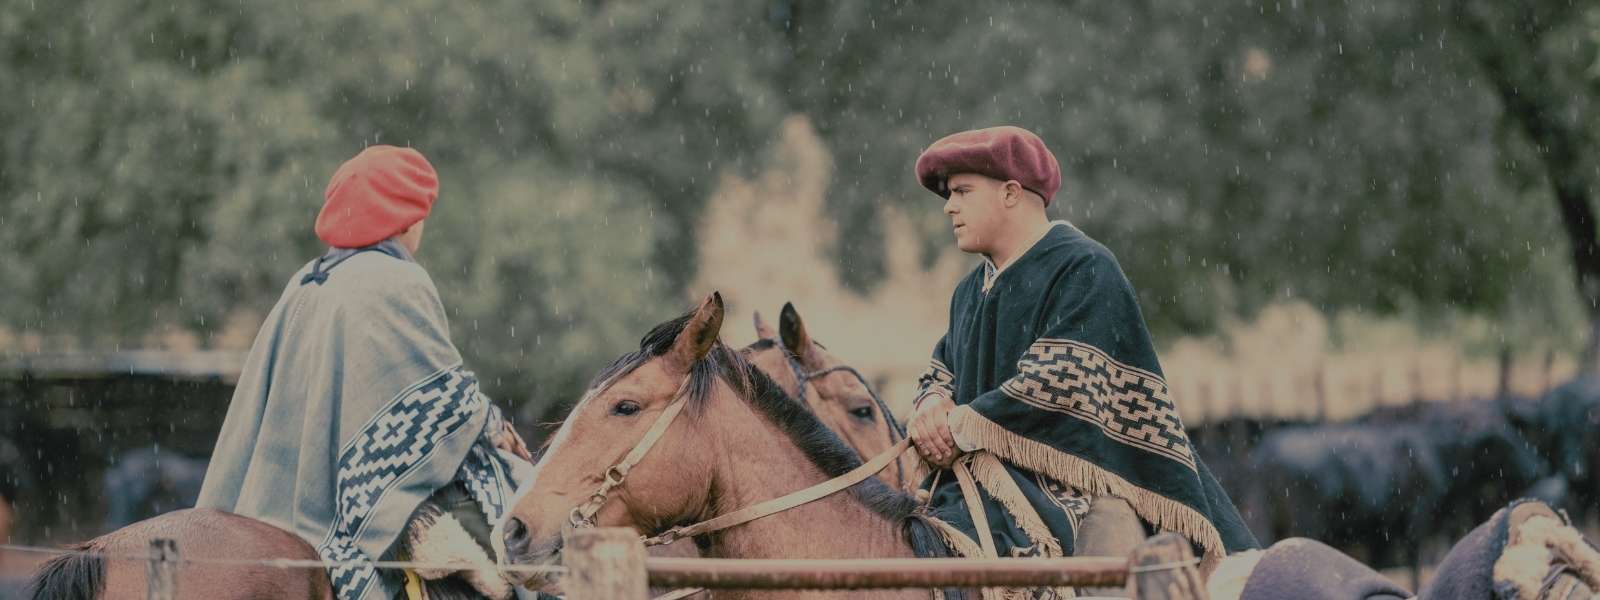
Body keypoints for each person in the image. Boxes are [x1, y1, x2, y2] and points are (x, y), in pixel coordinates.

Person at [904, 126, 1258, 571]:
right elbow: (943, 371)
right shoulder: (969, 290)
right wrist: (930, 404)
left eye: (962, 191)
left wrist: (956, 428)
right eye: (948, 196)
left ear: (1011, 193)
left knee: (1105, 571)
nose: (950, 207)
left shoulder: (1084, 266)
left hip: (1084, 492)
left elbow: (1060, 386)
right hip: (978, 488)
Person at [197, 145, 533, 600]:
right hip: (350, 491)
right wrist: (492, 424)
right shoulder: (397, 280)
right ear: (405, 218)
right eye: (420, 215)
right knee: (518, 524)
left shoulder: (307, 280)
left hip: (284, 486)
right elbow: (442, 404)